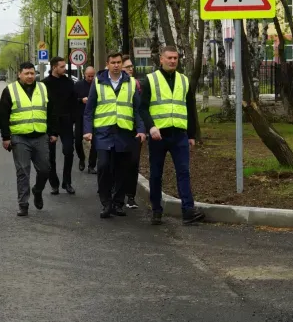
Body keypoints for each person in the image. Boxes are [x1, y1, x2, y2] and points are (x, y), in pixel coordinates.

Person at [140, 46, 205, 225]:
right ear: (161, 59)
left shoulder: (184, 80)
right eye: (169, 58)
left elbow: (190, 109)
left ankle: (188, 210)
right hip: (158, 136)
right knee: (155, 174)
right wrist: (151, 127)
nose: (172, 61)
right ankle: (156, 210)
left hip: (179, 135)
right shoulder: (150, 80)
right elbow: (142, 107)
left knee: (183, 172)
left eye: (175, 58)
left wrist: (191, 134)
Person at [83, 52, 146, 219]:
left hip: (124, 133)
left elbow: (137, 110)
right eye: (113, 62)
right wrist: (87, 130)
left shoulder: (131, 83)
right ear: (107, 64)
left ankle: (118, 203)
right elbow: (89, 110)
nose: (116, 65)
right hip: (104, 132)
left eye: (119, 62)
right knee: (103, 167)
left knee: (121, 170)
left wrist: (141, 129)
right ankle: (106, 203)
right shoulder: (98, 81)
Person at [0, 62, 57, 217]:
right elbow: (3, 116)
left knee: (45, 169)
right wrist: (5, 137)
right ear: (19, 74)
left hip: (40, 136)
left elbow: (51, 112)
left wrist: (53, 132)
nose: (30, 76)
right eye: (27, 73)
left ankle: (37, 190)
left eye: (32, 73)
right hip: (19, 137)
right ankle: (23, 204)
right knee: (23, 171)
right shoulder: (10, 90)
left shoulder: (43, 89)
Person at [41, 57, 76, 195]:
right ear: (54, 67)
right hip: (51, 123)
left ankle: (67, 182)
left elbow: (74, 100)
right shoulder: (45, 84)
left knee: (68, 151)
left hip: (66, 121)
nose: (64, 69)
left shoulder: (68, 82)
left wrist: (73, 118)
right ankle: (54, 183)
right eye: (62, 66)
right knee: (50, 156)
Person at [122, 55, 141, 209]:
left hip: (134, 130)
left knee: (133, 163)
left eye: (131, 66)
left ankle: (131, 196)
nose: (130, 69)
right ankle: (117, 194)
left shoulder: (136, 84)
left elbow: (140, 108)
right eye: (127, 67)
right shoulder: (112, 85)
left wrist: (142, 129)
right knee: (118, 163)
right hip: (119, 131)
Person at [74, 66, 97, 174]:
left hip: (94, 117)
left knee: (95, 143)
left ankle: (92, 165)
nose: (91, 78)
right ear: (84, 74)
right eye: (89, 76)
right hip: (80, 116)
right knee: (78, 141)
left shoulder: (97, 85)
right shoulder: (78, 85)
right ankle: (82, 158)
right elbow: (72, 99)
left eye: (92, 76)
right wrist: (81, 100)